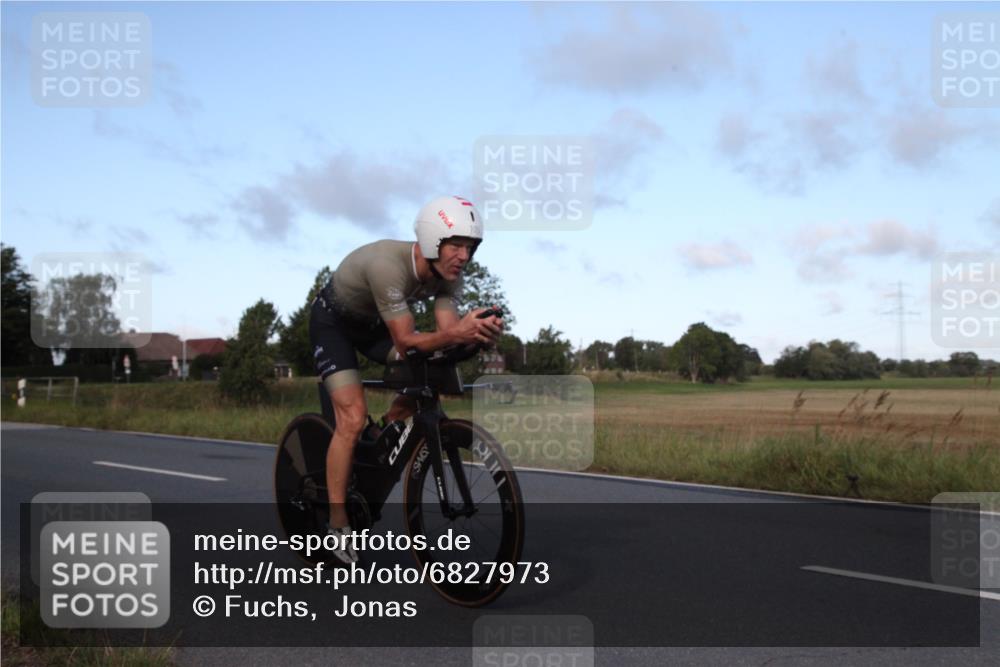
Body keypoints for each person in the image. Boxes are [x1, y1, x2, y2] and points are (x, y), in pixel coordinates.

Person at [309, 195, 503, 564]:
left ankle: (383, 436)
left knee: (430, 366)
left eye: (471, 247)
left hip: (372, 327)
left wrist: (475, 334)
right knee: (350, 417)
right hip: (333, 325)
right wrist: (455, 335)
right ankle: (337, 526)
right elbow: (406, 340)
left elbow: (447, 334)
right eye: (456, 245)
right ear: (432, 241)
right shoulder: (388, 266)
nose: (464, 256)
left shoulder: (448, 278)